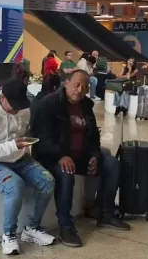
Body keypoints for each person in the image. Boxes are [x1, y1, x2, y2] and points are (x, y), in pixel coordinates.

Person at [30, 70, 128, 247]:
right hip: (52, 158)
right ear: (66, 83)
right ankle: (66, 226)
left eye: (84, 87)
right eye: (76, 85)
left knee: (112, 164)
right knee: (66, 173)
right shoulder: (49, 104)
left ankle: (105, 214)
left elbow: (94, 136)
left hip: (80, 156)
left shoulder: (86, 106)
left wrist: (95, 155)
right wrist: (60, 156)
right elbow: (41, 138)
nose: (80, 90)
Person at [0, 78, 56, 256]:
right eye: (14, 105)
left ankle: (31, 229)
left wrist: (25, 144)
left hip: (18, 158)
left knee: (47, 181)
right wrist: (12, 146)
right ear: (2, 98)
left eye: (20, 105)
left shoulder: (23, 109)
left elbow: (22, 133)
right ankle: (8, 235)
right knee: (14, 185)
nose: (17, 109)